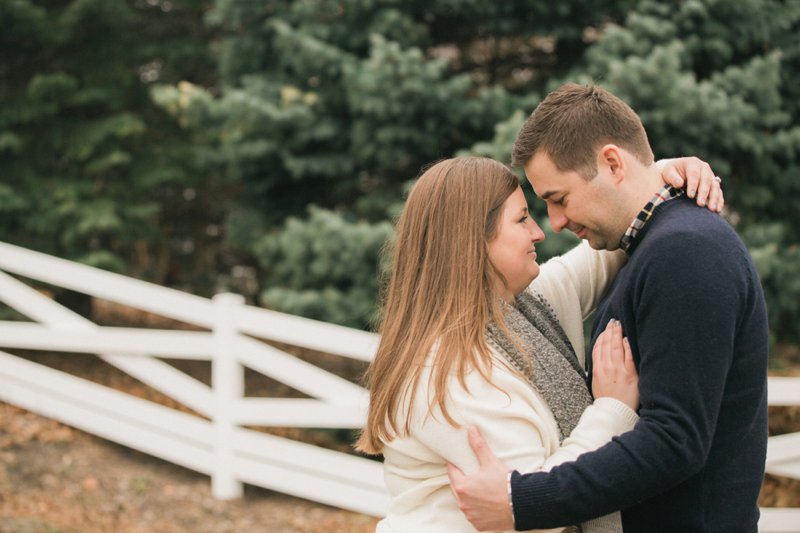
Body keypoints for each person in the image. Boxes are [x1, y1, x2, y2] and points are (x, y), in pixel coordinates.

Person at [447, 84, 769, 533]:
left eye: (559, 199)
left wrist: (522, 501)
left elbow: (674, 441)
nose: (554, 223)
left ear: (613, 163)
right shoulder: (657, 242)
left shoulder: (684, 252)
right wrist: (659, 171)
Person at [356, 154, 723, 532]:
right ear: (472, 241)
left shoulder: (521, 311)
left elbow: (605, 244)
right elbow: (532, 509)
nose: (539, 232)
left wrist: (657, 173)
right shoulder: (447, 370)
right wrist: (612, 410)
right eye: (520, 219)